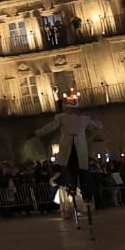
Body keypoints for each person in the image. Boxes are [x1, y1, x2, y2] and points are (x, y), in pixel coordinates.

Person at [37, 95, 102, 227]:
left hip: (76, 152)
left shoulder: (78, 119)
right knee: (76, 171)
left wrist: (37, 133)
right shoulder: (72, 118)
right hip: (71, 151)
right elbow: (98, 125)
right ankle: (77, 191)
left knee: (78, 171)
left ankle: (81, 192)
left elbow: (50, 127)